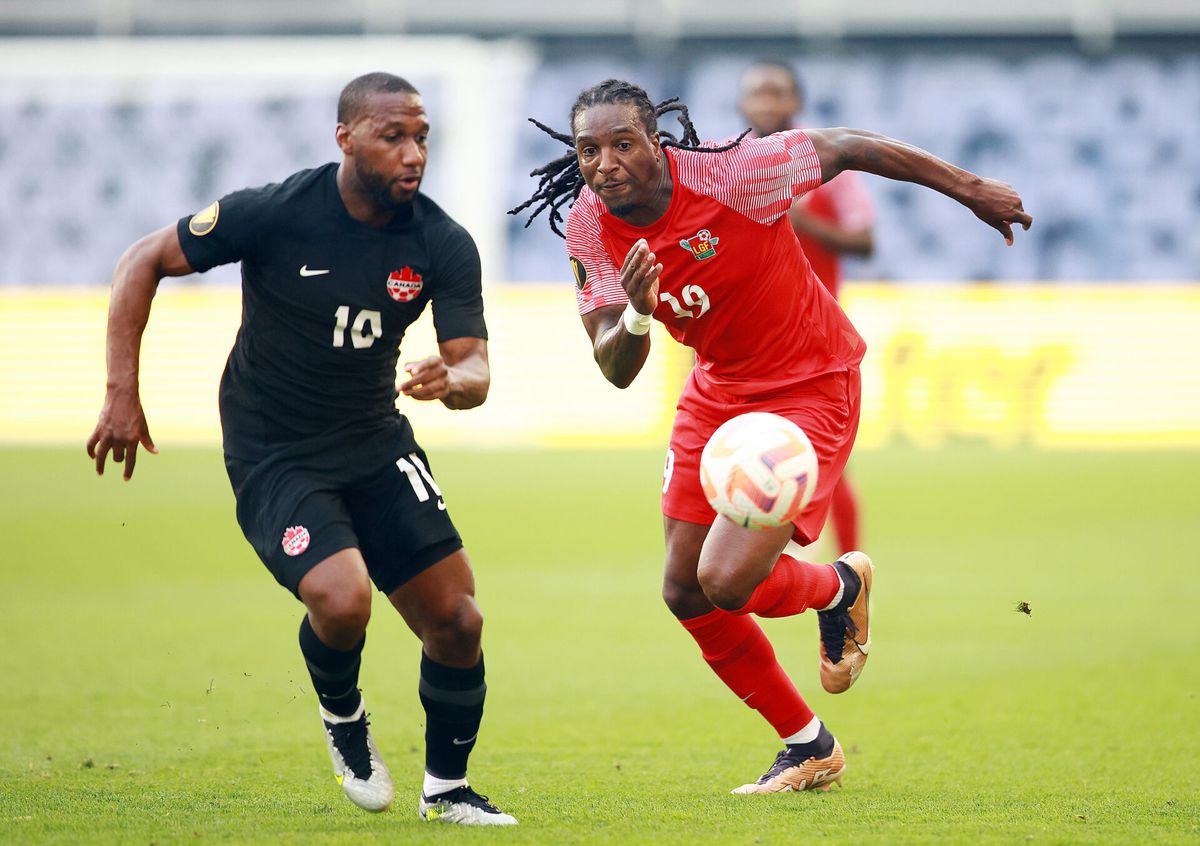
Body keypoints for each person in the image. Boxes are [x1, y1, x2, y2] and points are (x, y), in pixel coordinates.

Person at [512, 79, 1030, 794]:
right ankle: (808, 742)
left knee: (724, 580)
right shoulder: (587, 228)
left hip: (810, 383)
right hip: (717, 390)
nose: (604, 164)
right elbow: (615, 366)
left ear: (656, 145)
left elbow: (851, 146)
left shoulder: (736, 173)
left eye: (622, 144)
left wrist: (969, 189)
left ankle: (835, 585)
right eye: (589, 150)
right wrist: (636, 315)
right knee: (682, 589)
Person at [86, 72, 517, 826]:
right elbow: (140, 262)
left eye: (422, 137)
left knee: (459, 622)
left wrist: (456, 380)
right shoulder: (278, 212)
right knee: (343, 600)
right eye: (394, 137)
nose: (414, 153)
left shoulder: (441, 240)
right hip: (275, 448)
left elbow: (476, 366)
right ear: (346, 138)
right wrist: (123, 391)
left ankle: (447, 792)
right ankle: (344, 717)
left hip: (374, 439)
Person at [739, 59, 875, 555]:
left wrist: (801, 221)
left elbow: (865, 242)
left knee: (829, 463)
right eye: (758, 93)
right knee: (735, 457)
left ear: (796, 102)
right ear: (742, 103)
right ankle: (747, 565)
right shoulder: (723, 167)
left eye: (777, 93)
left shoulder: (825, 164)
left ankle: (850, 569)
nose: (767, 103)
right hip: (744, 341)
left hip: (814, 338)